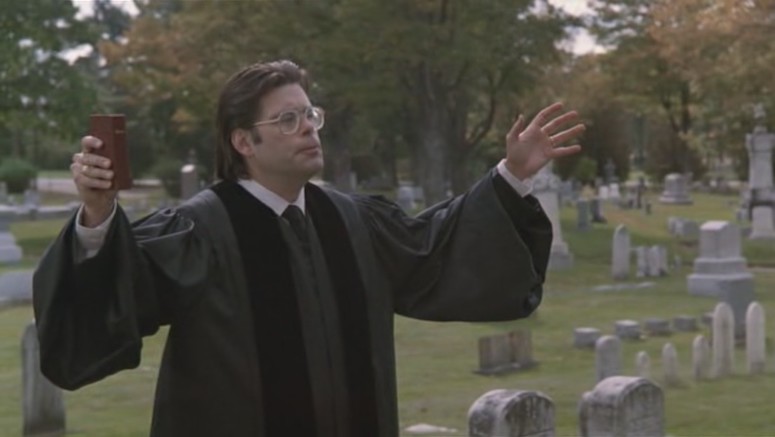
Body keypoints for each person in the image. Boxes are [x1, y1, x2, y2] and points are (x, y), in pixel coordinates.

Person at [33, 59, 584, 437]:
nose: (308, 129)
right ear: (244, 141)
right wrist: (98, 216)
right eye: (287, 120)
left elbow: (434, 251)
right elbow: (116, 301)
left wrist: (511, 176)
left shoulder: (353, 221)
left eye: (310, 115)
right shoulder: (200, 230)